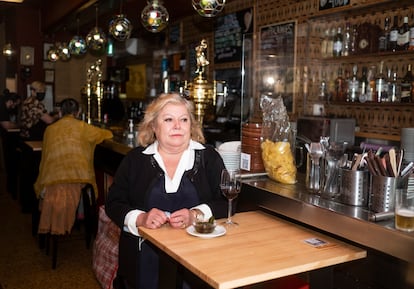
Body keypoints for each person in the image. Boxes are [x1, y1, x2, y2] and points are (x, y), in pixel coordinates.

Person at [105, 93, 228, 289]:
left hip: (199, 262)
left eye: (184, 119)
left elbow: (228, 202)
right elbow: (113, 202)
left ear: (191, 125)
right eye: (169, 119)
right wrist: (140, 219)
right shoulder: (135, 160)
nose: (177, 126)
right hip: (142, 260)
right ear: (154, 126)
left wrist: (196, 214)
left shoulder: (209, 158)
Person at [34, 98, 113, 235]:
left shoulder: (50, 130)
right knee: (79, 184)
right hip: (79, 177)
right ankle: (82, 217)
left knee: (68, 183)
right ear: (78, 112)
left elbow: (45, 157)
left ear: (60, 113)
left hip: (51, 178)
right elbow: (107, 134)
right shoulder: (83, 127)